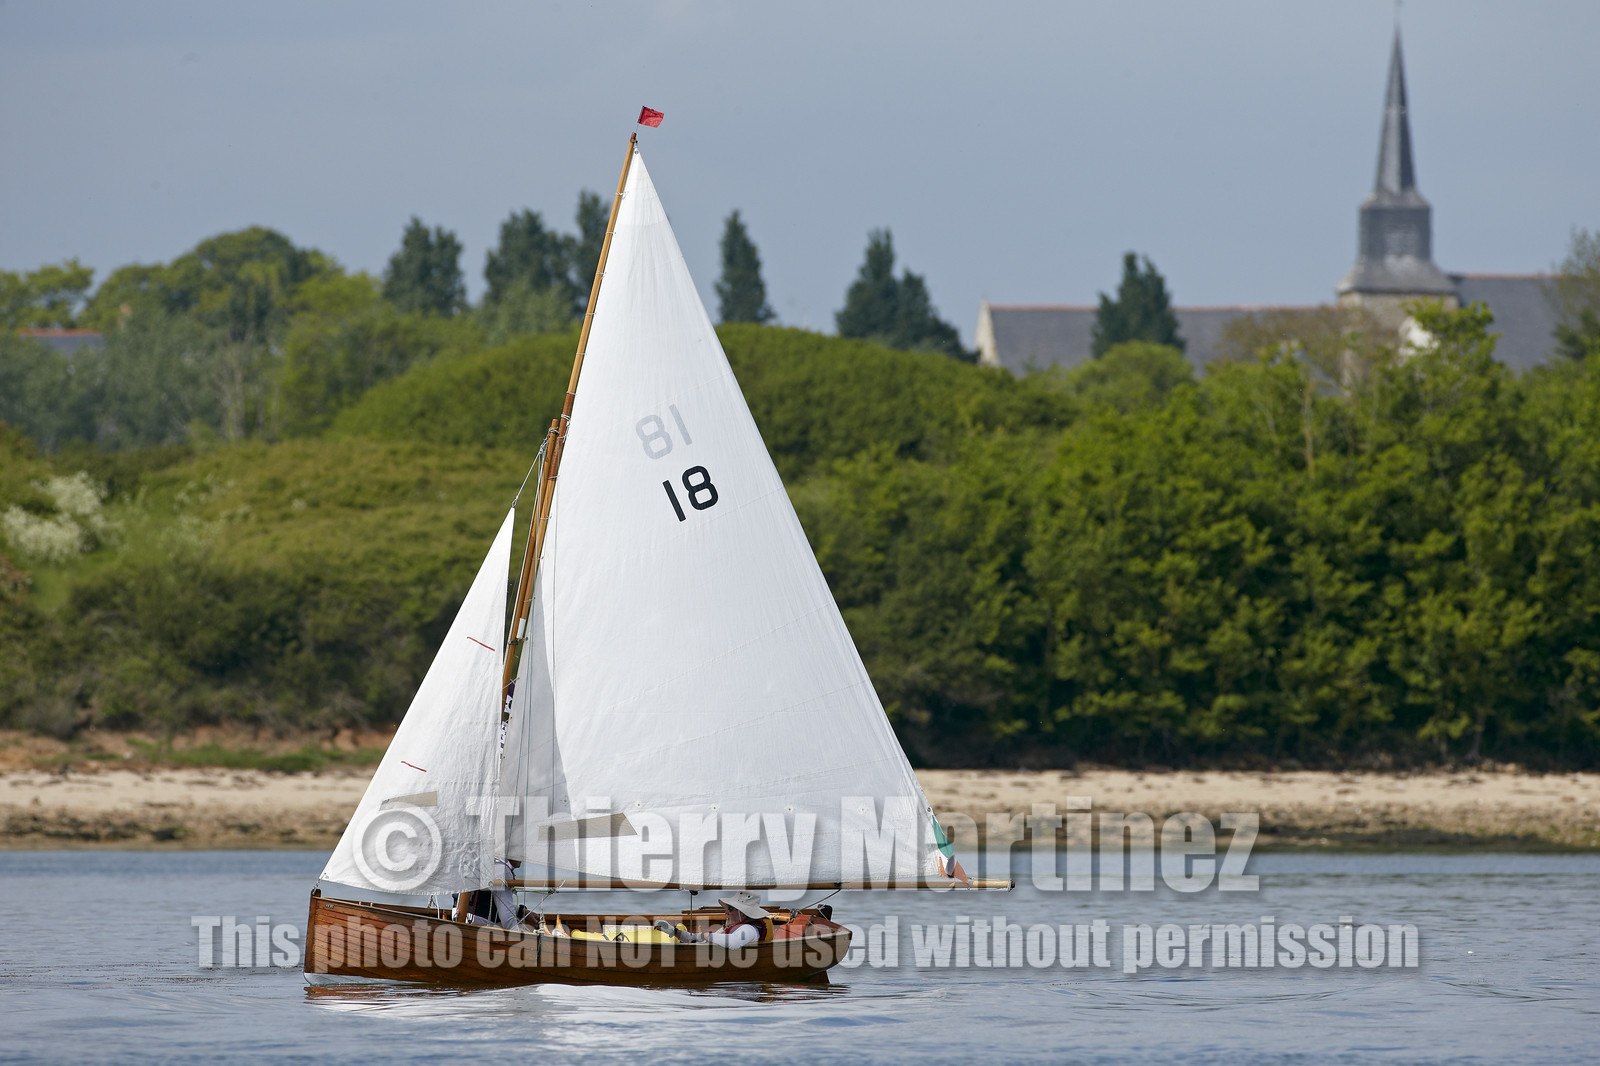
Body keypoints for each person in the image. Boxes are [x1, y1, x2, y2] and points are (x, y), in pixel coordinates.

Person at [655, 891, 773, 947]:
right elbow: (693, 939)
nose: (726, 912)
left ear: (744, 913)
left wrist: (707, 936)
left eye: (730, 909)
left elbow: (734, 943)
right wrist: (672, 931)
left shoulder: (749, 929)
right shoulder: (727, 929)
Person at [458, 857, 532, 929]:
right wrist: (518, 936)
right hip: (479, 927)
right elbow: (507, 919)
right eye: (519, 849)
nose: (524, 857)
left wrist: (519, 910)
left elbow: (484, 901)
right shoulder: (501, 869)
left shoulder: (470, 862)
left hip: (458, 918)